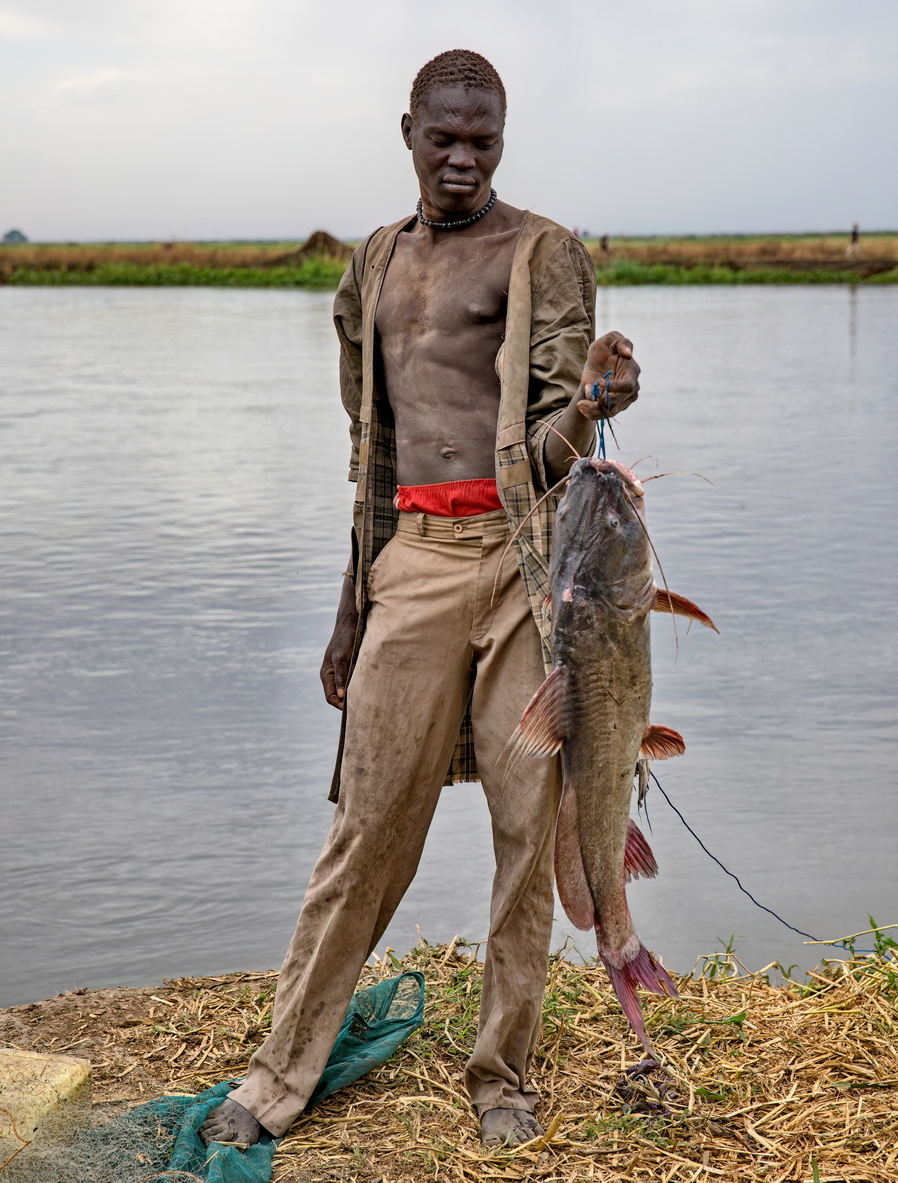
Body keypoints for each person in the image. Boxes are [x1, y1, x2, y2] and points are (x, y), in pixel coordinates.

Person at [200, 48, 640, 1151]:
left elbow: (546, 450)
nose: (460, 158)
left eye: (481, 140)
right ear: (407, 131)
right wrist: (351, 608)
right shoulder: (376, 261)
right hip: (409, 556)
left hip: (521, 566)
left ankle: (501, 1074)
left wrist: (590, 405)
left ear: (502, 138)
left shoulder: (543, 254)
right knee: (364, 825)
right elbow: (369, 454)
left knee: (522, 818)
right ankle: (278, 1074)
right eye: (442, 137)